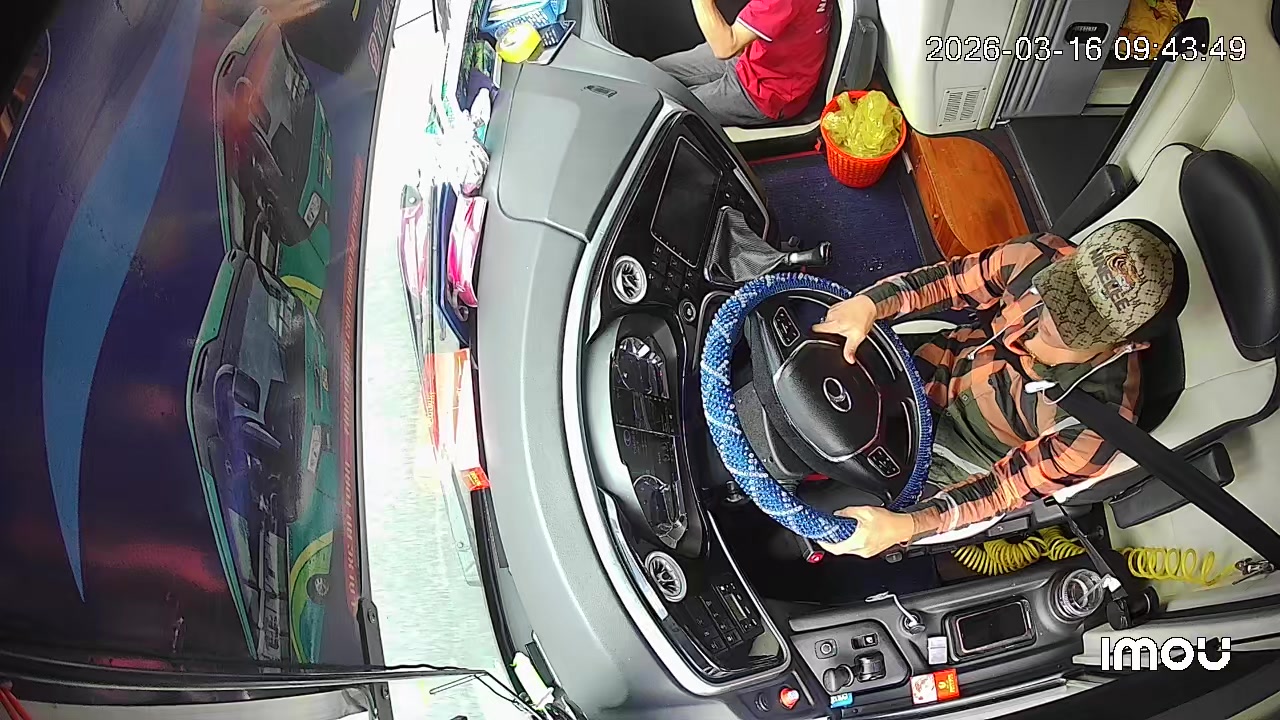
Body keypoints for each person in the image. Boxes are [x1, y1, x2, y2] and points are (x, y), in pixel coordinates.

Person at [810, 221, 1182, 558]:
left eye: (1079, 323)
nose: (1051, 316)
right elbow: (952, 281)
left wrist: (905, 526)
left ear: (1129, 344)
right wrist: (869, 305)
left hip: (955, 464)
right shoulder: (1037, 257)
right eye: (1064, 287)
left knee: (825, 519)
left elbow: (1002, 490)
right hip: (929, 366)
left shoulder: (1097, 426)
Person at [654, 0, 831, 127]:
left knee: (662, 111)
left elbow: (725, 48)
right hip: (750, 53)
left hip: (770, 92)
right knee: (652, 73)